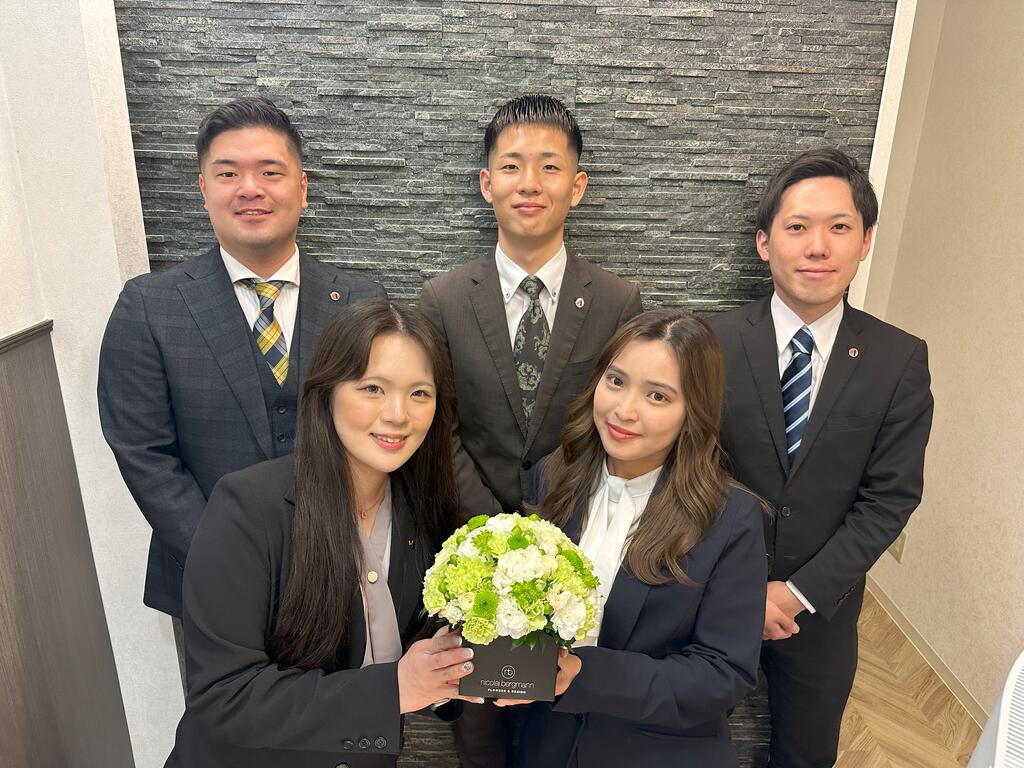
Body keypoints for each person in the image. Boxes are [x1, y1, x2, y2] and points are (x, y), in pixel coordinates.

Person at [98, 96, 386, 674]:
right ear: (203, 189)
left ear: (302, 188)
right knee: (229, 724)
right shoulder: (150, 306)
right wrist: (224, 559)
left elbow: (383, 431)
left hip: (342, 574)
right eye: (228, 174)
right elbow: (143, 451)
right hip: (209, 583)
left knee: (346, 718)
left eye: (270, 172)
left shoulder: (361, 300)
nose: (250, 189)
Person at [419, 94, 642, 765]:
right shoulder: (443, 298)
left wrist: (550, 529)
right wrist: (494, 534)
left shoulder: (617, 300)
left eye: (550, 166)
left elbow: (616, 422)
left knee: (565, 719)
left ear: (578, 186)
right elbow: (436, 426)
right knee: (480, 725)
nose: (530, 183)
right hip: (469, 546)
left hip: (576, 544)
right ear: (486, 182)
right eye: (512, 166)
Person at [165, 300, 482, 767]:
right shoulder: (247, 508)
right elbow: (224, 695)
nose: (398, 414)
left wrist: (458, 671)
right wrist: (395, 689)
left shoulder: (424, 508)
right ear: (327, 391)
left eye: (420, 393)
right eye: (373, 388)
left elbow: (417, 642)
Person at [707, 148, 934, 767]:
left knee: (807, 755)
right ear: (764, 243)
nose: (817, 247)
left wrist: (795, 594)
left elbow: (889, 499)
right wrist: (737, 587)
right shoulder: (710, 342)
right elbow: (686, 473)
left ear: (865, 242)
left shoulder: (898, 360)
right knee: (681, 739)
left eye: (839, 227)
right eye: (797, 227)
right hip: (709, 593)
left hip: (822, 606)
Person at [506, 309, 767, 768]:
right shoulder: (554, 473)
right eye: (616, 381)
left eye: (658, 396)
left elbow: (722, 673)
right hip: (546, 744)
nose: (624, 410)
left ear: (693, 412)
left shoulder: (731, 517)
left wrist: (584, 675)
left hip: (658, 751)